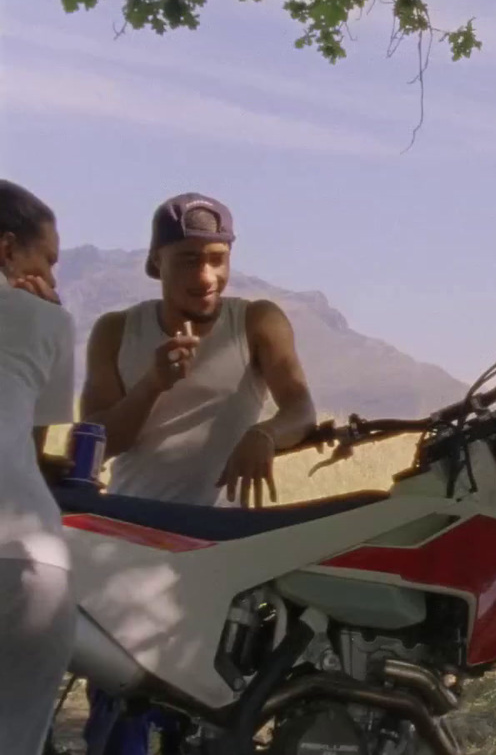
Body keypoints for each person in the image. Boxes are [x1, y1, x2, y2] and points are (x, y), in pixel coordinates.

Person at [78, 192, 319, 753]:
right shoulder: (116, 331)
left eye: (218, 257)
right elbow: (97, 443)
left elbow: (301, 408)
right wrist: (152, 384)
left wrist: (264, 434)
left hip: (223, 555)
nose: (207, 275)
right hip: (133, 548)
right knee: (122, 717)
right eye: (188, 259)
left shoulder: (256, 321)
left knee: (214, 721)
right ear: (155, 262)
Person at [0, 181, 77, 755]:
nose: (52, 274)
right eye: (46, 259)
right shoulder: (46, 320)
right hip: (26, 558)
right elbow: (32, 444)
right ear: (7, 251)